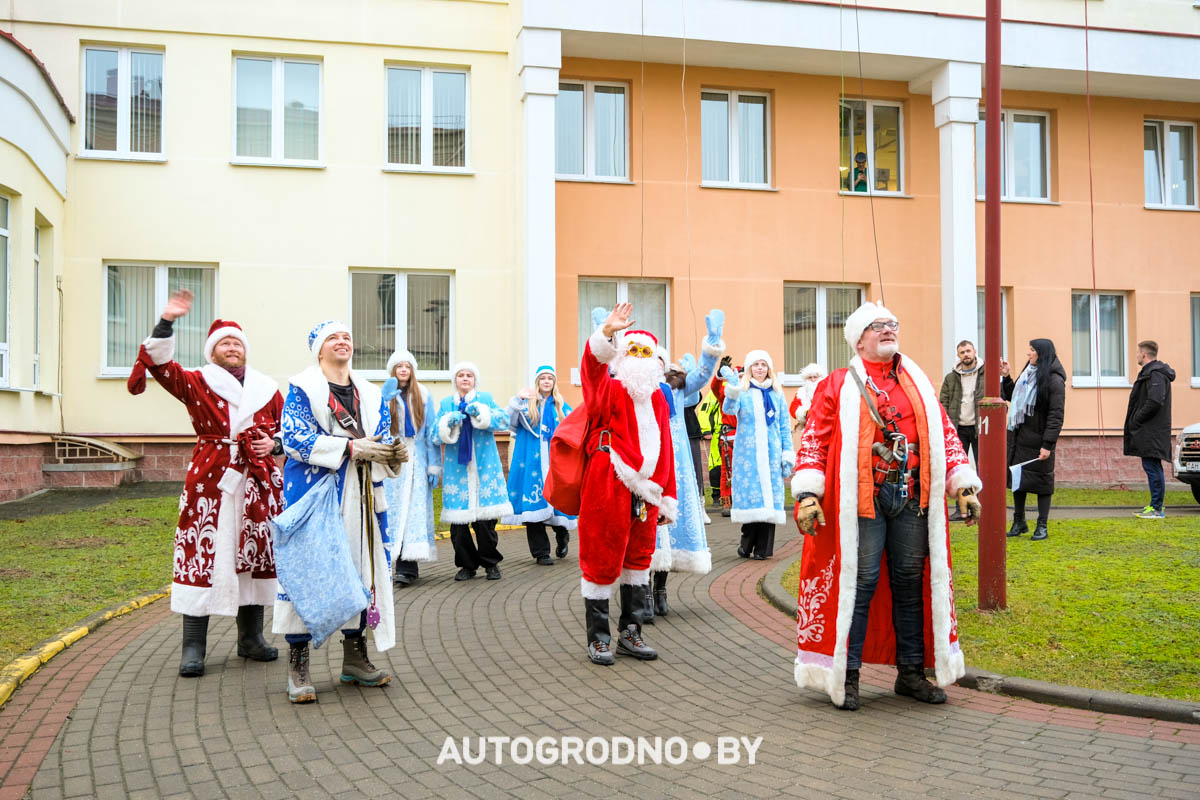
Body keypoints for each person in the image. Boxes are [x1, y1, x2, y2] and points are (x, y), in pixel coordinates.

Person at [792, 301, 981, 711]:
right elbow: (814, 441)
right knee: (859, 582)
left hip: (912, 496)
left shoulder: (917, 379)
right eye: (877, 326)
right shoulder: (837, 384)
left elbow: (945, 433)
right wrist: (807, 494)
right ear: (858, 339)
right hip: (862, 501)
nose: (888, 330)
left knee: (910, 580)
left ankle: (911, 673)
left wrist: (963, 485)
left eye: (892, 324)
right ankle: (847, 675)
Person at [128, 289, 283, 677]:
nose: (232, 348)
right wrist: (166, 321)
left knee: (253, 553)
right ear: (212, 352)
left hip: (257, 481)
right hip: (210, 481)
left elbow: (289, 429)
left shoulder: (267, 388)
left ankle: (251, 639)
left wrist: (274, 444)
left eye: (237, 343)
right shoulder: (197, 382)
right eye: (224, 343)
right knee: (203, 554)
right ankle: (193, 648)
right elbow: (160, 365)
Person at [275, 321, 406, 704]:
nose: (342, 341)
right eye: (333, 337)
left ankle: (354, 658)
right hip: (316, 494)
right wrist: (349, 448)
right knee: (310, 571)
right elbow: (294, 439)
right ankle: (298, 664)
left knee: (361, 567)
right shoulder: (302, 388)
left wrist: (390, 452)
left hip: (361, 494)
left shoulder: (370, 392)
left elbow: (381, 435)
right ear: (319, 349)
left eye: (347, 336)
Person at [578, 303, 676, 666]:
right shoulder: (610, 389)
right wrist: (606, 334)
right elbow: (592, 372)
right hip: (609, 482)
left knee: (639, 560)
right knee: (602, 557)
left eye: (646, 353)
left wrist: (667, 497)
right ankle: (599, 638)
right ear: (621, 356)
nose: (639, 357)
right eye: (632, 350)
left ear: (656, 361)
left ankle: (631, 633)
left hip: (647, 491)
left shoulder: (658, 398)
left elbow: (666, 449)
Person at [648, 310, 725, 619]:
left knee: (671, 529)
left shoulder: (677, 389)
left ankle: (660, 589)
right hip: (646, 470)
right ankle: (642, 592)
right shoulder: (636, 390)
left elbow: (703, 375)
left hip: (675, 469)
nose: (656, 364)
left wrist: (712, 344)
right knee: (647, 532)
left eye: (660, 360)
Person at [432, 362, 512, 581]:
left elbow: (503, 420)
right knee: (458, 525)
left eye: (469, 375)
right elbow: (434, 435)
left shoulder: (485, 399)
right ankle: (467, 566)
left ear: (475, 380)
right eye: (461, 375)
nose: (465, 378)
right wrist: (447, 423)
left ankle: (491, 564)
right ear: (455, 380)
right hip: (457, 471)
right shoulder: (447, 403)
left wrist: (483, 414)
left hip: (485, 468)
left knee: (485, 522)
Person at [721, 350, 793, 560]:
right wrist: (732, 388)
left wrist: (787, 454)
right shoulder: (743, 392)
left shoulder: (777, 393)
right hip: (749, 457)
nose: (760, 368)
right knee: (753, 502)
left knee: (769, 503)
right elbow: (729, 409)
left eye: (763, 364)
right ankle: (746, 545)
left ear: (768, 368)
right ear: (749, 369)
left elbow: (784, 425)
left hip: (772, 455)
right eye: (755, 364)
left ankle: (763, 549)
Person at [503, 365, 576, 564]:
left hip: (555, 464)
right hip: (531, 465)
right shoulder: (526, 406)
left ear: (554, 383)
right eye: (542, 378)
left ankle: (562, 535)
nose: (546, 381)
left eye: (550, 378)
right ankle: (541, 553)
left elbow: (573, 432)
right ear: (537, 382)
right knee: (532, 506)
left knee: (557, 504)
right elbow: (506, 420)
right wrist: (517, 400)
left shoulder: (562, 407)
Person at [382, 350, 439, 587]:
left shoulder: (423, 395)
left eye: (407, 366)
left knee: (413, 512)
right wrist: (384, 403)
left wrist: (434, 465)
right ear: (393, 371)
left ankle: (408, 566)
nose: (403, 370)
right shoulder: (385, 395)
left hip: (417, 459)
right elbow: (379, 429)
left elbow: (431, 433)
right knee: (393, 511)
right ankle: (387, 562)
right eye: (399, 366)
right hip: (394, 458)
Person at [1000, 339, 1066, 541]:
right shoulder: (1028, 373)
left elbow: (1056, 415)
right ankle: (1019, 521)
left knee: (1042, 482)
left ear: (1042, 353)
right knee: (1018, 478)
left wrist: (1047, 445)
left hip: (1039, 440)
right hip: (1019, 437)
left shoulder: (1054, 380)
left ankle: (1042, 525)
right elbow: (1014, 397)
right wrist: (1007, 377)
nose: (1028, 353)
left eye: (1032, 350)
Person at [1123, 340, 1175, 519]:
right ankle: (1154, 505)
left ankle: (1157, 509)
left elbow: (1154, 401)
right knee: (1151, 466)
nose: (1137, 355)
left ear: (1144, 354)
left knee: (1152, 467)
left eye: (1138, 352)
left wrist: (1136, 419)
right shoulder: (1152, 373)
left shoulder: (1155, 374)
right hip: (1150, 430)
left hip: (1152, 431)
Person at [940, 340, 985, 520]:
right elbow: (943, 402)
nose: (966, 355)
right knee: (959, 469)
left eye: (968, 351)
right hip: (958, 428)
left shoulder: (986, 374)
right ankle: (961, 509)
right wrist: (946, 425)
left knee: (983, 467)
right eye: (962, 352)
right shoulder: (951, 378)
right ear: (958, 355)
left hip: (980, 428)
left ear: (974, 351)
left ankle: (981, 505)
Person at [709, 358, 741, 517]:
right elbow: (714, 387)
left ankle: (742, 500)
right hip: (729, 435)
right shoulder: (725, 394)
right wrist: (719, 373)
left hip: (745, 436)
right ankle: (726, 501)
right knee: (727, 470)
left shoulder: (750, 393)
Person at [697, 388, 723, 509]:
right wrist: (706, 430)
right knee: (716, 464)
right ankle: (717, 496)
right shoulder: (716, 391)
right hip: (720, 433)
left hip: (740, 433)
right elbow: (704, 410)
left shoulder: (745, 388)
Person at [789, 362, 827, 430]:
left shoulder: (827, 391)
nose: (812, 380)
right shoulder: (801, 392)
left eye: (815, 377)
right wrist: (805, 413)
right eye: (810, 377)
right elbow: (793, 409)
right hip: (807, 427)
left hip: (824, 427)